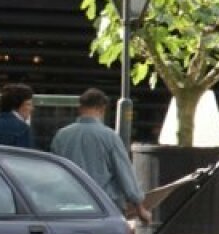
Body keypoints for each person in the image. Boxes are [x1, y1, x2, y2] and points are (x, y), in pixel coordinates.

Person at [51, 88, 151, 223]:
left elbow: (53, 171)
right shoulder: (110, 136)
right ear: (102, 109)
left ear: (80, 108)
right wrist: (139, 208)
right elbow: (124, 173)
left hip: (68, 205)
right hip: (104, 207)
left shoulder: (61, 136)